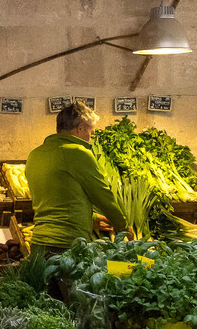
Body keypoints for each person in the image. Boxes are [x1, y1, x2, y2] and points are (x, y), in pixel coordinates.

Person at [24, 101, 128, 259]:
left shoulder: (35, 155)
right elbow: (102, 195)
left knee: (43, 284)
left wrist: (91, 218)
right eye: (91, 133)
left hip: (39, 243)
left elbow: (56, 197)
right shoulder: (78, 153)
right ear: (81, 128)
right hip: (67, 245)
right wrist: (123, 227)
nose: (90, 138)